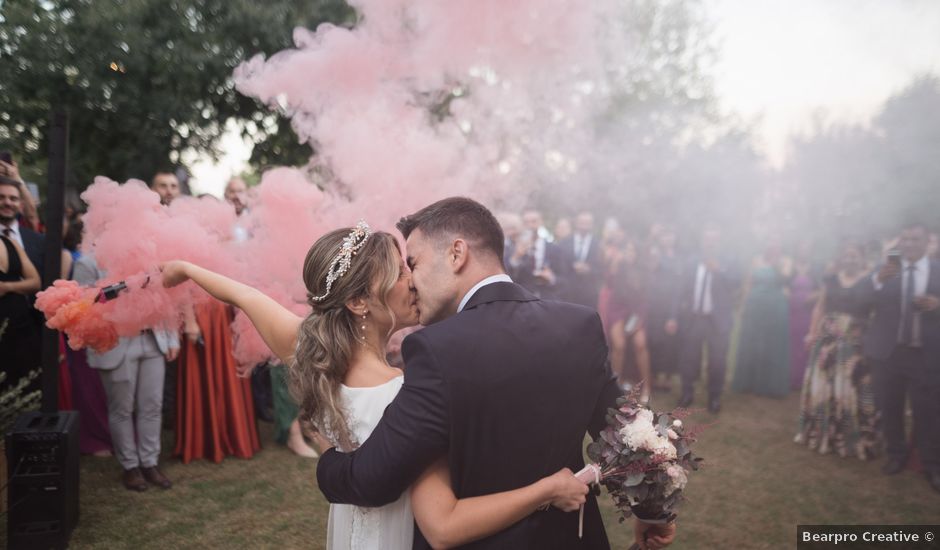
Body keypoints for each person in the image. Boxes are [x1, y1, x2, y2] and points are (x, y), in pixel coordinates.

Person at [158, 218, 648, 550]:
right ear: (359, 303)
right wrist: (547, 488)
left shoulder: (312, 350)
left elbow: (245, 296)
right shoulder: (406, 390)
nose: (413, 281)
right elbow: (443, 524)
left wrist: (185, 269)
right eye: (400, 272)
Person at [310, 198, 674, 549]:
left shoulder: (436, 350)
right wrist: (652, 513)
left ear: (457, 254)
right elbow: (627, 431)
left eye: (414, 263)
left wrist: (327, 456)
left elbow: (374, 480)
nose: (412, 282)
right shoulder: (579, 324)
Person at [73, 252, 180, 491]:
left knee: (152, 405)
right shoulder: (88, 262)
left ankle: (150, 462)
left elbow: (165, 297)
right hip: (117, 344)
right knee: (121, 408)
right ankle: (130, 466)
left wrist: (172, 338)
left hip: (152, 339)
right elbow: (83, 305)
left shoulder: (147, 254)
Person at [859, 222, 940, 493]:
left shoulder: (938, 270)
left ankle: (931, 464)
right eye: (904, 240)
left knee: (927, 411)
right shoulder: (887, 270)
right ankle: (896, 454)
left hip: (925, 354)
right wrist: (876, 281)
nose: (908, 245)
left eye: (914, 239)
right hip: (888, 354)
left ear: (928, 241)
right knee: (890, 407)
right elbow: (860, 301)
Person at [795, 241, 880, 459]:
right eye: (846, 255)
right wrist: (812, 333)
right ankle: (821, 432)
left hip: (853, 346)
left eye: (854, 255)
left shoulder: (871, 281)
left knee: (848, 389)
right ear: (840, 257)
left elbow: (877, 312)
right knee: (824, 388)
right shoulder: (830, 279)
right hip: (827, 343)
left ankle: (846, 436)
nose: (850, 259)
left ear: (862, 258)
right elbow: (820, 307)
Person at [672, 223, 741, 413]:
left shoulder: (729, 260)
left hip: (716, 321)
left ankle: (714, 397)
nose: (710, 243)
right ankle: (687, 393)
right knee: (689, 359)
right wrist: (673, 316)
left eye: (714, 240)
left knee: (717, 361)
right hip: (694, 318)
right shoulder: (692, 261)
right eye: (707, 239)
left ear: (719, 242)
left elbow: (736, 283)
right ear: (702, 242)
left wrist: (719, 270)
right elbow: (681, 290)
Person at [731, 238, 791, 397]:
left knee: (771, 344)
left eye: (776, 243)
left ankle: (769, 385)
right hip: (754, 305)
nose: (773, 246)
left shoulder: (786, 261)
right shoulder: (756, 260)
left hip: (775, 307)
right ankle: (748, 382)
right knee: (752, 342)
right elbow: (748, 283)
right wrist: (743, 305)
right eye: (770, 242)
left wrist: (776, 262)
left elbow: (785, 280)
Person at [601, 237, 652, 401]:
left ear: (637, 253)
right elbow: (609, 284)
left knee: (640, 344)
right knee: (619, 345)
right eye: (627, 250)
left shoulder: (643, 270)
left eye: (632, 251)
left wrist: (639, 320)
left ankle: (647, 387)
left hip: (636, 310)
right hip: (617, 308)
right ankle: (615, 386)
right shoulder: (619, 266)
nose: (629, 254)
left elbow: (645, 298)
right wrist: (614, 265)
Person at [0, 229, 41, 391]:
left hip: (23, 329)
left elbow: (35, 282)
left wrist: (6, 287)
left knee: (32, 387)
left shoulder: (10, 242)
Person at [509, 209, 569, 300]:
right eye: (526, 222)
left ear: (541, 222)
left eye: (534, 221)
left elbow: (565, 280)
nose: (530, 226)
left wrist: (551, 278)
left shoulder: (554, 249)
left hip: (548, 300)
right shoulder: (512, 248)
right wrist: (516, 257)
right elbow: (508, 277)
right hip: (523, 301)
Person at [557, 211, 605, 309]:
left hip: (589, 295)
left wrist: (589, 269)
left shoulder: (598, 244)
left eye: (587, 223)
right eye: (582, 223)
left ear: (592, 225)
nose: (584, 227)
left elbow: (602, 269)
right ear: (576, 223)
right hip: (567, 293)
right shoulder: (564, 242)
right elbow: (559, 267)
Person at [788, 241, 819, 390]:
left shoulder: (815, 269)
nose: (804, 252)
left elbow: (822, 290)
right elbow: (784, 285)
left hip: (807, 312)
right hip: (791, 311)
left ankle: (803, 380)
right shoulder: (791, 267)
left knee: (805, 345)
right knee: (791, 344)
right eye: (801, 249)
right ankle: (789, 377)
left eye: (807, 249)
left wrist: (811, 297)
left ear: (811, 252)